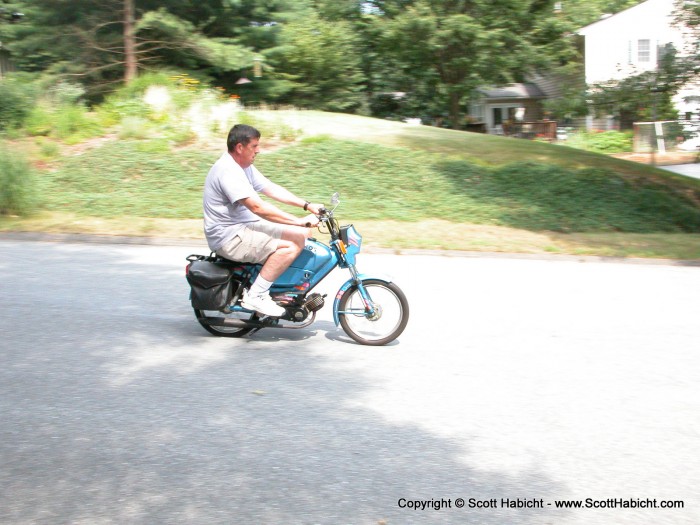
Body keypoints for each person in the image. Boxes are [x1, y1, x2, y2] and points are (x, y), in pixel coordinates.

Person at [203, 124, 323, 317]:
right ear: (240, 147)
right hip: (230, 237)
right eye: (254, 146)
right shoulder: (228, 171)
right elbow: (258, 208)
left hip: (243, 228)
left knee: (302, 234)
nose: (258, 150)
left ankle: (279, 288)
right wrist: (299, 221)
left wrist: (307, 205)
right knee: (292, 244)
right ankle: (256, 295)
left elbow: (270, 188)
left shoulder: (243, 166)